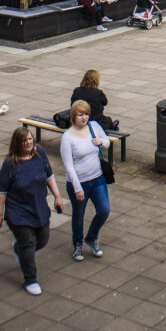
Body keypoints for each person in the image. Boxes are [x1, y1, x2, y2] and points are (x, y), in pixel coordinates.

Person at [0, 126, 64, 295]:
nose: (28, 143)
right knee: (29, 243)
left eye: (30, 139)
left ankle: (19, 249)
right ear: (17, 144)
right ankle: (30, 279)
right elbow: (2, 192)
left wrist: (57, 196)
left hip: (38, 207)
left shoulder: (40, 154)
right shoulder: (10, 165)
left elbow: (49, 176)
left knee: (43, 238)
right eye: (25, 141)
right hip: (18, 211)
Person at [61, 100, 111, 261]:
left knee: (104, 210)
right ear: (73, 116)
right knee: (78, 214)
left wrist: (101, 142)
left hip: (97, 178)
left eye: (86, 114)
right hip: (79, 182)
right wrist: (77, 188)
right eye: (80, 115)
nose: (84, 118)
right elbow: (69, 166)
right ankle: (78, 244)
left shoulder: (94, 126)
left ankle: (91, 237)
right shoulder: (67, 137)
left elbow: (107, 142)